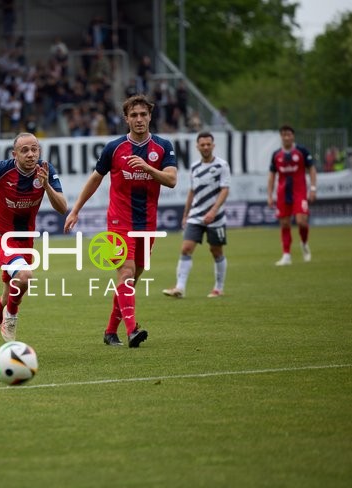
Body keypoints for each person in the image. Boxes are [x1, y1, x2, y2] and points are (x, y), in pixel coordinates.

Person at [64, 94, 177, 348]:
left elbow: (171, 180)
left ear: (150, 116)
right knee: (125, 273)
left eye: (143, 114)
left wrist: (147, 168)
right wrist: (75, 210)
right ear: (126, 119)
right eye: (134, 115)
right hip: (119, 221)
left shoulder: (162, 147)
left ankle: (109, 331)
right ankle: (132, 331)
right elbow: (95, 179)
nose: (139, 119)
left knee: (131, 281)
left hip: (147, 224)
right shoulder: (114, 148)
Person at [0, 132, 67, 361]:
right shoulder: (0, 169)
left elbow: (62, 207)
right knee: (25, 276)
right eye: (25, 150)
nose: (30, 154)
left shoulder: (46, 170)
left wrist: (46, 186)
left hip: (25, 241)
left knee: (8, 295)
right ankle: (12, 317)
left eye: (34, 149)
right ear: (14, 154)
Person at [162, 132, 231, 298]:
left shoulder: (222, 166)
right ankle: (179, 288)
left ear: (213, 146)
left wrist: (213, 211)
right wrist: (186, 214)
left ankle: (218, 288)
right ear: (197, 146)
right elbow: (192, 191)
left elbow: (225, 190)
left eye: (209, 144)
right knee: (186, 248)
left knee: (216, 251)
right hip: (196, 215)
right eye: (203, 144)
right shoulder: (194, 167)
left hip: (216, 217)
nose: (206, 147)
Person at [267, 125, 317, 266]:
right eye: (284, 135)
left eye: (289, 134)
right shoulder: (276, 154)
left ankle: (304, 243)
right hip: (283, 193)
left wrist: (313, 188)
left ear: (293, 136)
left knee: (301, 221)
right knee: (284, 223)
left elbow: (312, 169)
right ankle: (286, 255)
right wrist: (270, 195)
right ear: (281, 137)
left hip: (299, 192)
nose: (286, 137)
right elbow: (271, 176)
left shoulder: (301, 151)